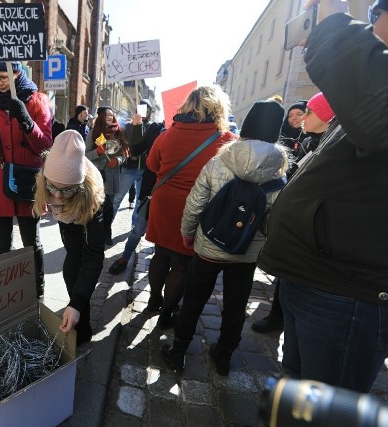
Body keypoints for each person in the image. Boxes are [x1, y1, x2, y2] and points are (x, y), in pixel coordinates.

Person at [257, 0, 388, 393]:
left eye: (376, 15)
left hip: (346, 294)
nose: (370, 25)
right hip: (321, 283)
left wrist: (332, 23)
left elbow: (376, 111)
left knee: (322, 407)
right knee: (299, 397)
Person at [162, 99, 288, 376]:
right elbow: (273, 222)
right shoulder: (279, 173)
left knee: (193, 299)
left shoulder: (219, 162)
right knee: (235, 305)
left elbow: (195, 203)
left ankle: (178, 350)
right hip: (246, 254)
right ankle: (224, 355)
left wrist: (187, 234)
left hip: (208, 245)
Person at [144, 85, 237, 329]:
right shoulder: (227, 140)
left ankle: (154, 300)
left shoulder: (167, 134)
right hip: (198, 207)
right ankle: (166, 314)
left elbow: (152, 165)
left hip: (163, 203)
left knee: (160, 254)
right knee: (182, 263)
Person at [252, 92, 336, 334]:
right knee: (286, 276)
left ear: (326, 115)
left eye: (308, 112)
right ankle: (277, 316)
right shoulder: (309, 142)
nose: (301, 118)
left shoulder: (331, 145)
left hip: (314, 225)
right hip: (295, 220)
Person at [0, 62, 52, 298]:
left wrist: (27, 121)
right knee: (2, 245)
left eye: (4, 77)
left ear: (17, 73)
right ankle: (4, 294)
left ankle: (37, 292)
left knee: (31, 243)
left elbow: (45, 145)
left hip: (26, 180)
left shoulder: (38, 100)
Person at [33, 130, 105, 346]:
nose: (57, 196)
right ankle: (76, 312)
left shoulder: (92, 198)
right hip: (70, 227)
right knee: (71, 264)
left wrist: (77, 302)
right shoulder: (47, 179)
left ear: (79, 187)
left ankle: (82, 326)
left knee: (79, 269)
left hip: (85, 213)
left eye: (66, 190)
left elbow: (94, 256)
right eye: (52, 187)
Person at [107, 120, 165, 276]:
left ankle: (160, 268)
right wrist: (138, 127)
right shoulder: (155, 128)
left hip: (172, 192)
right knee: (139, 227)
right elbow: (136, 149)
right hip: (151, 188)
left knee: (164, 236)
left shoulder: (186, 135)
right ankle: (125, 257)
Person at [112, 99, 163, 228]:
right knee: (117, 198)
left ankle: (135, 227)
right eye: (141, 109)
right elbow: (131, 144)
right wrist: (136, 126)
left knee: (140, 201)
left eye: (147, 109)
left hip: (146, 169)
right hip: (130, 167)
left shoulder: (154, 127)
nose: (144, 112)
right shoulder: (128, 126)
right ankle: (107, 225)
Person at [85, 106, 127, 245]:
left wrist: (117, 161)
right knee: (97, 206)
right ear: (101, 117)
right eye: (107, 115)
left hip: (111, 175)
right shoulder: (93, 133)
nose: (110, 117)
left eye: (111, 115)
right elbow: (85, 156)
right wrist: (97, 151)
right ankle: (95, 235)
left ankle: (107, 234)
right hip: (97, 175)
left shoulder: (118, 133)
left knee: (109, 207)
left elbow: (124, 155)